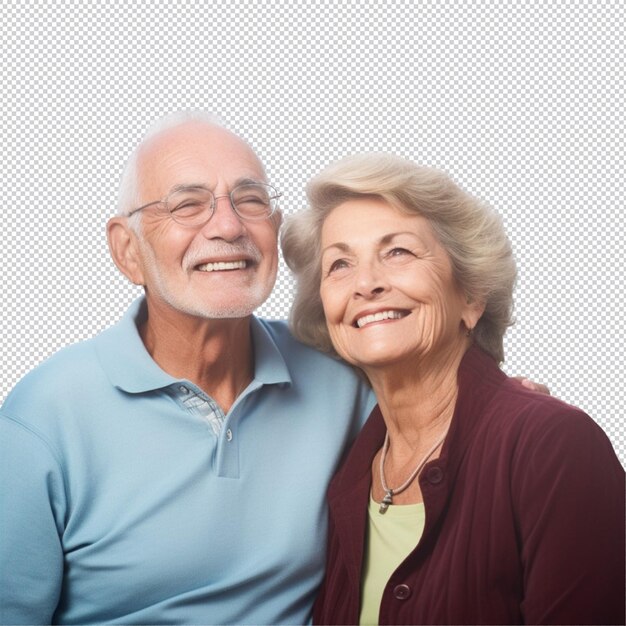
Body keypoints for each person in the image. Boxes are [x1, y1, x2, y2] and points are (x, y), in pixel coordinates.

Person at [0, 112, 547, 625]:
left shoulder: (342, 380)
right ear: (128, 251)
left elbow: (436, 410)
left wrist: (503, 405)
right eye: (188, 204)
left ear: (276, 229)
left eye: (250, 200)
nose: (228, 226)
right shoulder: (42, 421)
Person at [282, 153, 625, 625]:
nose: (365, 284)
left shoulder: (553, 446)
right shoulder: (349, 472)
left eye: (397, 252)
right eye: (339, 264)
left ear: (471, 294)